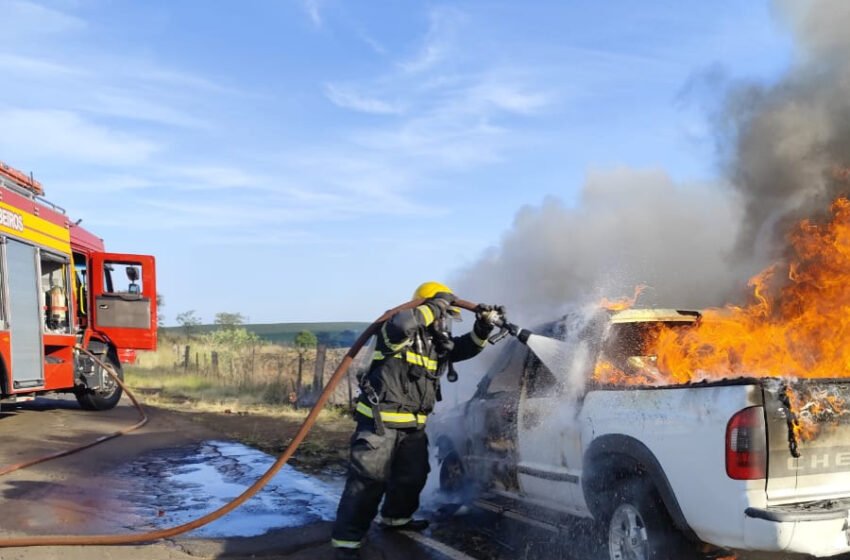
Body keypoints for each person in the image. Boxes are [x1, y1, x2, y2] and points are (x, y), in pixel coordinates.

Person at [331, 282, 503, 559]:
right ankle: (347, 540)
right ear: (426, 308)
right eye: (442, 314)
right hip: (380, 424)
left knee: (413, 476)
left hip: (413, 426)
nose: (445, 321)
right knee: (368, 480)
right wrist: (435, 305)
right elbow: (401, 326)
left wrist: (482, 329)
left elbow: (465, 348)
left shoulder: (435, 344)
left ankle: (396, 519)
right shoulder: (394, 332)